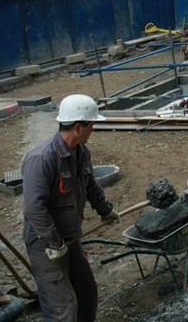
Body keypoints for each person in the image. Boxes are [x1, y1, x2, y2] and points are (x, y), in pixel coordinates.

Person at [22, 94, 120, 321]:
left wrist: (105, 210)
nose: (93, 129)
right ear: (78, 127)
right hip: (46, 244)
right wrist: (54, 243)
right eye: (91, 124)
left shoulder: (81, 152)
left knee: (86, 294)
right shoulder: (42, 158)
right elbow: (33, 208)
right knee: (63, 308)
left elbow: (91, 185)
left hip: (70, 239)